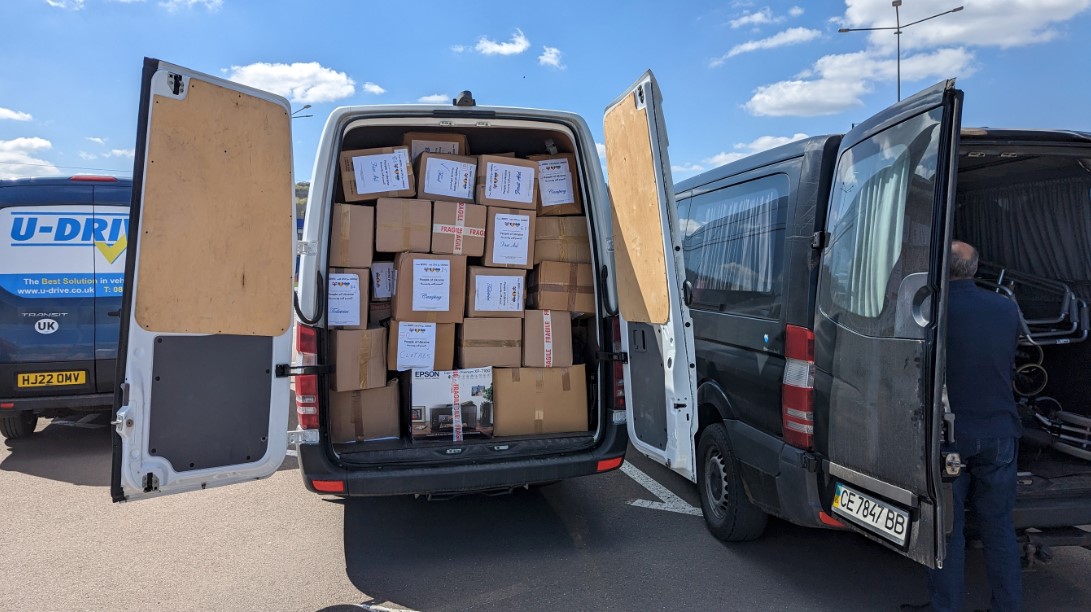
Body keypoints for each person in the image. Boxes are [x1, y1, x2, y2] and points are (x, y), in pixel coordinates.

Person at [912, 240, 1023, 611]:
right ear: (974, 269)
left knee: (947, 530)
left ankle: (946, 607)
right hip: (1000, 434)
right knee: (999, 528)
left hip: (951, 436)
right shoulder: (1006, 309)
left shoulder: (931, 312)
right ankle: (1008, 606)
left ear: (942, 269)